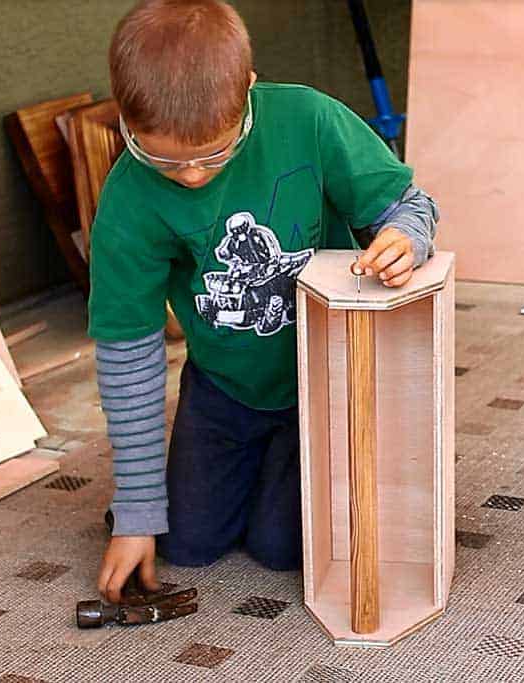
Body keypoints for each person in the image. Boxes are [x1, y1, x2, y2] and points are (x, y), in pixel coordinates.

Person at [88, 0, 439, 604]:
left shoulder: (310, 119)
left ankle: (283, 471)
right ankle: (241, 475)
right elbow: (129, 354)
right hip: (224, 388)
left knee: (282, 550)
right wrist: (138, 510)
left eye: (215, 153)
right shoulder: (127, 201)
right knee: (187, 544)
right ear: (124, 117)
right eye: (165, 158)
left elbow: (412, 206)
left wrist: (406, 236)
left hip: (322, 384)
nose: (193, 175)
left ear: (248, 92)